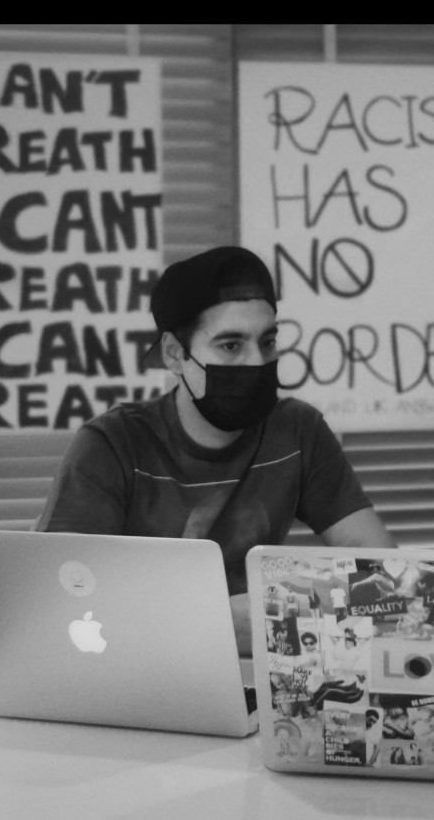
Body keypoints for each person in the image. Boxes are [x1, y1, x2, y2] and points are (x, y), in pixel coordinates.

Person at [35, 246, 395, 655]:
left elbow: (384, 574)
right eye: (230, 346)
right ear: (175, 354)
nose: (256, 362)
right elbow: (64, 602)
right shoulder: (113, 445)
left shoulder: (297, 431)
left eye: (268, 341)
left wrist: (286, 609)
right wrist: (219, 622)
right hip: (141, 671)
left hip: (258, 678)